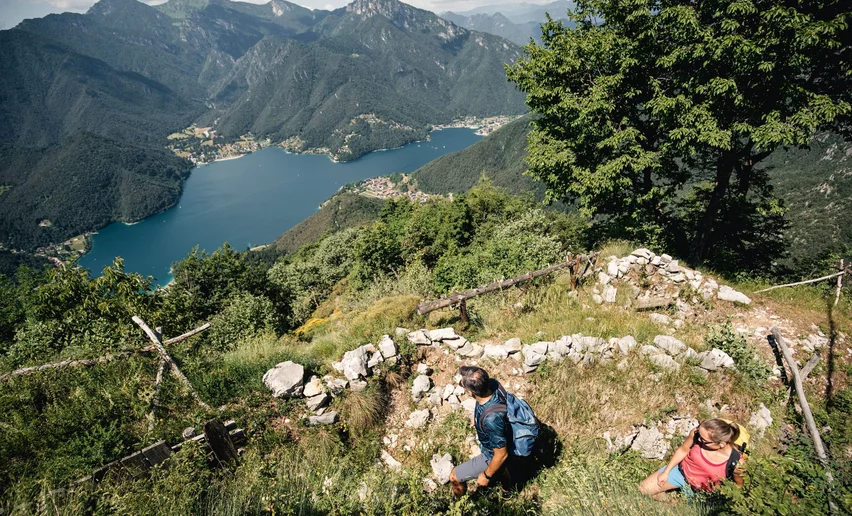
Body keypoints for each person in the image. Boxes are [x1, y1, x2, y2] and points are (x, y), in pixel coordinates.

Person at [639, 418, 745, 499]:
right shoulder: (696, 433)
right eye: (699, 433)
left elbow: (738, 487)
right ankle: (671, 500)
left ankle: (678, 502)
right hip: (681, 472)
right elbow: (683, 450)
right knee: (642, 490)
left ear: (721, 444)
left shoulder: (736, 463)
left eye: (703, 439)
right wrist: (666, 472)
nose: (698, 439)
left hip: (704, 493)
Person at [449, 366, 514, 498]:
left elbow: (501, 455)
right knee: (502, 469)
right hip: (504, 436)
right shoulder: (492, 384)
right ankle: (507, 491)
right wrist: (478, 418)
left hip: (491, 454)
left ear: (470, 393)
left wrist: (486, 475)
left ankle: (458, 507)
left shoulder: (492, 420)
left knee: (454, 476)